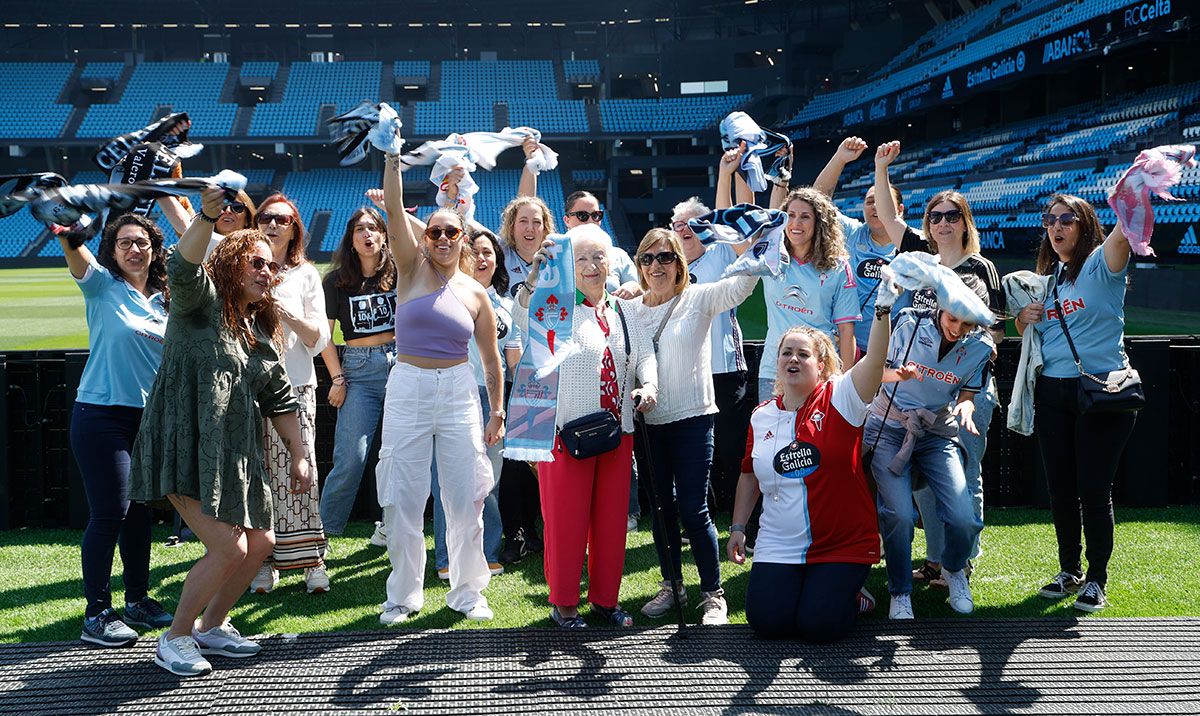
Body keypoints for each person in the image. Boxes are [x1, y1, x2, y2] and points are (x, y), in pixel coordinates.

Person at [129, 187, 312, 677]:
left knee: (261, 544)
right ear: (231, 265)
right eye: (255, 262)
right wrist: (206, 219)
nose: (265, 272)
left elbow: (279, 397)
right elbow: (184, 266)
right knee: (228, 546)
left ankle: (212, 627)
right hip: (183, 443)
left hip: (235, 454)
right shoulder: (200, 302)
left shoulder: (255, 329)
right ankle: (175, 639)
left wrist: (299, 452)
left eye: (270, 266)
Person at [376, 152, 505, 625]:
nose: (445, 238)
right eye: (436, 231)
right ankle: (404, 596)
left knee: (466, 498)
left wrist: (498, 412)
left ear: (464, 238)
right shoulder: (410, 268)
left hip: (457, 391)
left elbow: (492, 361)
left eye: (453, 232)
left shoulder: (476, 293)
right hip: (407, 386)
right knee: (403, 497)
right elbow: (393, 210)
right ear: (424, 238)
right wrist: (393, 159)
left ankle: (468, 592)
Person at [727, 292, 894, 642]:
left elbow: (877, 359)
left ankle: (855, 597)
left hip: (840, 541)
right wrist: (739, 527)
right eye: (786, 352)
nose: (793, 359)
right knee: (768, 624)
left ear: (822, 365)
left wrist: (882, 308)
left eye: (803, 354)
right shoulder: (762, 416)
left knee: (818, 627)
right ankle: (811, 589)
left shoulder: (842, 397)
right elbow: (749, 475)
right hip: (779, 541)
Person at [874, 142, 1005, 586]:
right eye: (936, 216)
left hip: (966, 388)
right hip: (919, 387)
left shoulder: (981, 268)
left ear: (965, 223)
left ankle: (962, 560)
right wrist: (881, 168)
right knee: (929, 480)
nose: (943, 223)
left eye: (952, 216)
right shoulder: (921, 257)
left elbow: (995, 333)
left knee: (965, 471)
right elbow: (890, 219)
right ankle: (937, 560)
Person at [515, 225, 658, 628]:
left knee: (612, 523)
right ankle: (563, 604)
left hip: (618, 431)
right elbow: (522, 317)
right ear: (568, 265)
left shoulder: (624, 308)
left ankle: (606, 601)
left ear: (611, 262)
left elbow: (644, 354)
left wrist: (649, 384)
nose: (592, 266)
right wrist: (533, 279)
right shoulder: (555, 305)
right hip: (567, 434)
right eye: (582, 258)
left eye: (599, 257)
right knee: (565, 522)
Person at [1014, 194, 1136, 613]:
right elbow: (1038, 334)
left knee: (1093, 489)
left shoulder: (1103, 263)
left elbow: (1126, 230)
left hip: (1101, 392)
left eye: (1067, 219)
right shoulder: (1049, 279)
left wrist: (1133, 192)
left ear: (1084, 225)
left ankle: (1097, 578)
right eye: (1050, 220)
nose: (1057, 226)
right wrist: (1022, 319)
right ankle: (1069, 571)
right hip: (1052, 391)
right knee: (1061, 489)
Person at [631, 228, 758, 625]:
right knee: (661, 510)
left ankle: (712, 594)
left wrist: (757, 241)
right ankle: (672, 585)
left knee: (692, 506)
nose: (657, 266)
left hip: (693, 418)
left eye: (666, 257)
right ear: (639, 265)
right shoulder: (629, 309)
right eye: (648, 258)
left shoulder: (698, 298)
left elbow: (741, 288)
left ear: (680, 264)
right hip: (648, 422)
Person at [62, 214, 174, 647]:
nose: (134, 249)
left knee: (141, 510)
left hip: (147, 419)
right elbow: (77, 256)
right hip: (101, 415)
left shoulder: (165, 299)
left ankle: (138, 600)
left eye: (141, 242)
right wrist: (70, 234)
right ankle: (96, 613)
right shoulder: (103, 286)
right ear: (113, 249)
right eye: (124, 242)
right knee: (112, 512)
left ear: (153, 248)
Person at [865, 280, 993, 620]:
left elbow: (967, 391)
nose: (957, 329)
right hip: (890, 428)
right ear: (940, 304)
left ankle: (954, 570)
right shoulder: (908, 321)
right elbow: (872, 373)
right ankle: (900, 591)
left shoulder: (980, 344)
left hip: (937, 431)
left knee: (964, 517)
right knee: (900, 515)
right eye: (953, 318)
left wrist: (965, 406)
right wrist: (897, 375)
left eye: (968, 323)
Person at [247, 195, 331, 595]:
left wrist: (283, 311)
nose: (273, 224)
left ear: (295, 227)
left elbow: (318, 339)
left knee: (302, 471)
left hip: (296, 384)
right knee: (257, 476)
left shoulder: (306, 275)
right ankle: (264, 560)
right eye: (266, 217)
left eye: (283, 219)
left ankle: (311, 558)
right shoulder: (242, 270)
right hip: (249, 388)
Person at [429, 227, 522, 579]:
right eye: (475, 252)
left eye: (488, 252)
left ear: (497, 260)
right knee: (446, 479)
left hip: (492, 397)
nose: (482, 258)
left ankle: (487, 550)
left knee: (489, 479)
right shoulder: (444, 295)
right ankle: (446, 556)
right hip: (451, 392)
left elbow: (513, 360)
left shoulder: (506, 307)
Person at [319, 206, 397, 545]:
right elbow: (325, 334)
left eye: (373, 228)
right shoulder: (336, 282)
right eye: (359, 230)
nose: (367, 235)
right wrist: (337, 379)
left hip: (401, 365)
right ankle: (323, 529)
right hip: (358, 371)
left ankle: (390, 525)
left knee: (400, 455)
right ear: (351, 240)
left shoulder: (401, 273)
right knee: (351, 456)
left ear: (383, 236)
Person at [757, 187, 860, 401]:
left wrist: (845, 383)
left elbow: (847, 331)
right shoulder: (772, 255)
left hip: (818, 374)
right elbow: (762, 223)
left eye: (805, 217)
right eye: (791, 216)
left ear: (819, 223)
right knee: (773, 434)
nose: (796, 223)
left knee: (812, 436)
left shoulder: (838, 267)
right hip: (772, 371)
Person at [812, 137, 904, 358]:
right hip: (850, 348)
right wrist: (840, 158)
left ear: (899, 209)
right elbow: (816, 202)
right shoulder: (852, 233)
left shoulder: (911, 244)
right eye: (869, 201)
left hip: (897, 353)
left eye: (880, 200)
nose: (874, 207)